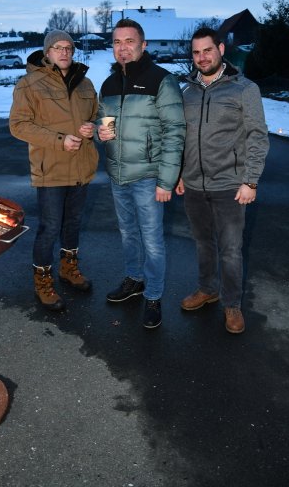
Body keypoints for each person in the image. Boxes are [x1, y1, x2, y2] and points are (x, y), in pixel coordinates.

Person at [175, 27, 269, 334]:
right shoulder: (186, 91)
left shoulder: (244, 89)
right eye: (196, 52)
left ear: (221, 50)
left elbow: (257, 136)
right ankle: (207, 289)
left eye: (207, 50)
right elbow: (181, 138)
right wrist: (179, 174)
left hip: (230, 184)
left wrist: (251, 181)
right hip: (193, 185)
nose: (202, 57)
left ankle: (232, 305)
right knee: (203, 244)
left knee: (230, 250)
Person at [97, 18, 186, 329]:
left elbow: (175, 133)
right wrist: (101, 133)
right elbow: (103, 122)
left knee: (152, 240)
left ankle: (154, 296)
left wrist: (167, 180)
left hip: (149, 177)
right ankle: (134, 280)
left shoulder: (162, 80)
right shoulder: (108, 84)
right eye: (117, 42)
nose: (123, 48)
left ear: (143, 44)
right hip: (117, 174)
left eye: (129, 41)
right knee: (128, 233)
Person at [9, 30, 99, 311]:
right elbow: (19, 125)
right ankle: (42, 281)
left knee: (73, 223)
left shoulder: (85, 83)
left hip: (81, 166)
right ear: (47, 52)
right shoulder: (29, 84)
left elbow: (94, 116)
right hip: (51, 169)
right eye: (57, 48)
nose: (64, 53)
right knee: (49, 228)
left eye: (68, 48)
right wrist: (59, 140)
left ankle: (68, 269)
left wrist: (91, 127)